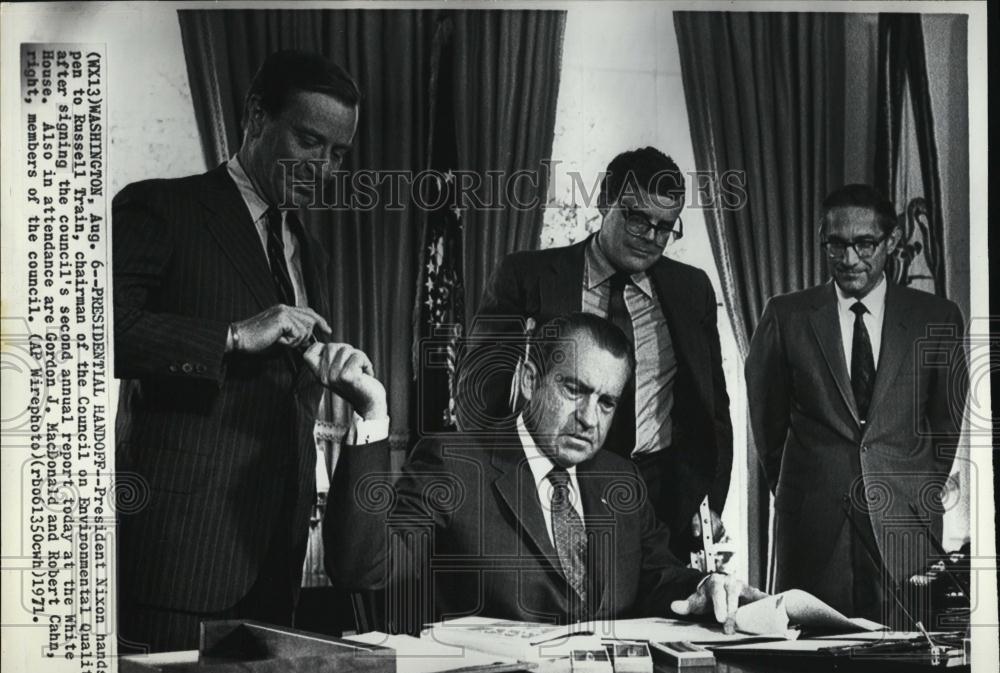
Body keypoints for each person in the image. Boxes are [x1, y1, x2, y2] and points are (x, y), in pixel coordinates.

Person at [113, 50, 360, 652]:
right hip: (179, 555)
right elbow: (89, 334)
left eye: (338, 153)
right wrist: (230, 335)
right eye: (309, 140)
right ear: (255, 117)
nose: (323, 167)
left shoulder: (311, 252)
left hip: (277, 557)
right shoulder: (160, 207)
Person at [317, 313, 761, 630]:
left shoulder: (619, 479)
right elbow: (361, 568)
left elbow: (656, 575)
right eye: (574, 389)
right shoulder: (454, 463)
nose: (590, 418)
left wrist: (706, 586)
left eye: (607, 402)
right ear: (530, 380)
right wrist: (372, 412)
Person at [456, 147, 732, 559]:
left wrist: (706, 500)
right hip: (557, 484)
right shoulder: (526, 276)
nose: (651, 238)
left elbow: (713, 409)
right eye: (638, 218)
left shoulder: (693, 290)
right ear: (606, 200)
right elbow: (478, 396)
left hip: (660, 498)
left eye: (665, 227)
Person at [745, 184, 967, 624]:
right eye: (837, 245)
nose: (849, 260)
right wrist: (807, 487)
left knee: (908, 665)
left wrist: (909, 488)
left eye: (864, 244)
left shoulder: (936, 317)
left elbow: (945, 423)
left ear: (892, 241)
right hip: (812, 525)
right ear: (824, 242)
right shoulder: (785, 315)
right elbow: (767, 425)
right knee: (806, 668)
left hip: (907, 527)